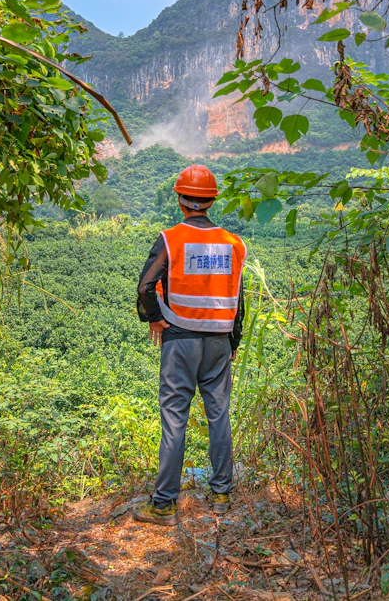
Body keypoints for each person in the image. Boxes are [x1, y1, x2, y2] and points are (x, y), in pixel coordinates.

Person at [133, 164, 246, 526]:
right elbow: (239, 298)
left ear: (181, 201)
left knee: (174, 417)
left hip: (180, 339)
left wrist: (155, 317)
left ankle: (164, 504)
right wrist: (233, 341)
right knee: (218, 414)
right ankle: (222, 493)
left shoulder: (170, 239)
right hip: (218, 342)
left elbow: (145, 286)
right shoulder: (234, 243)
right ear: (211, 201)